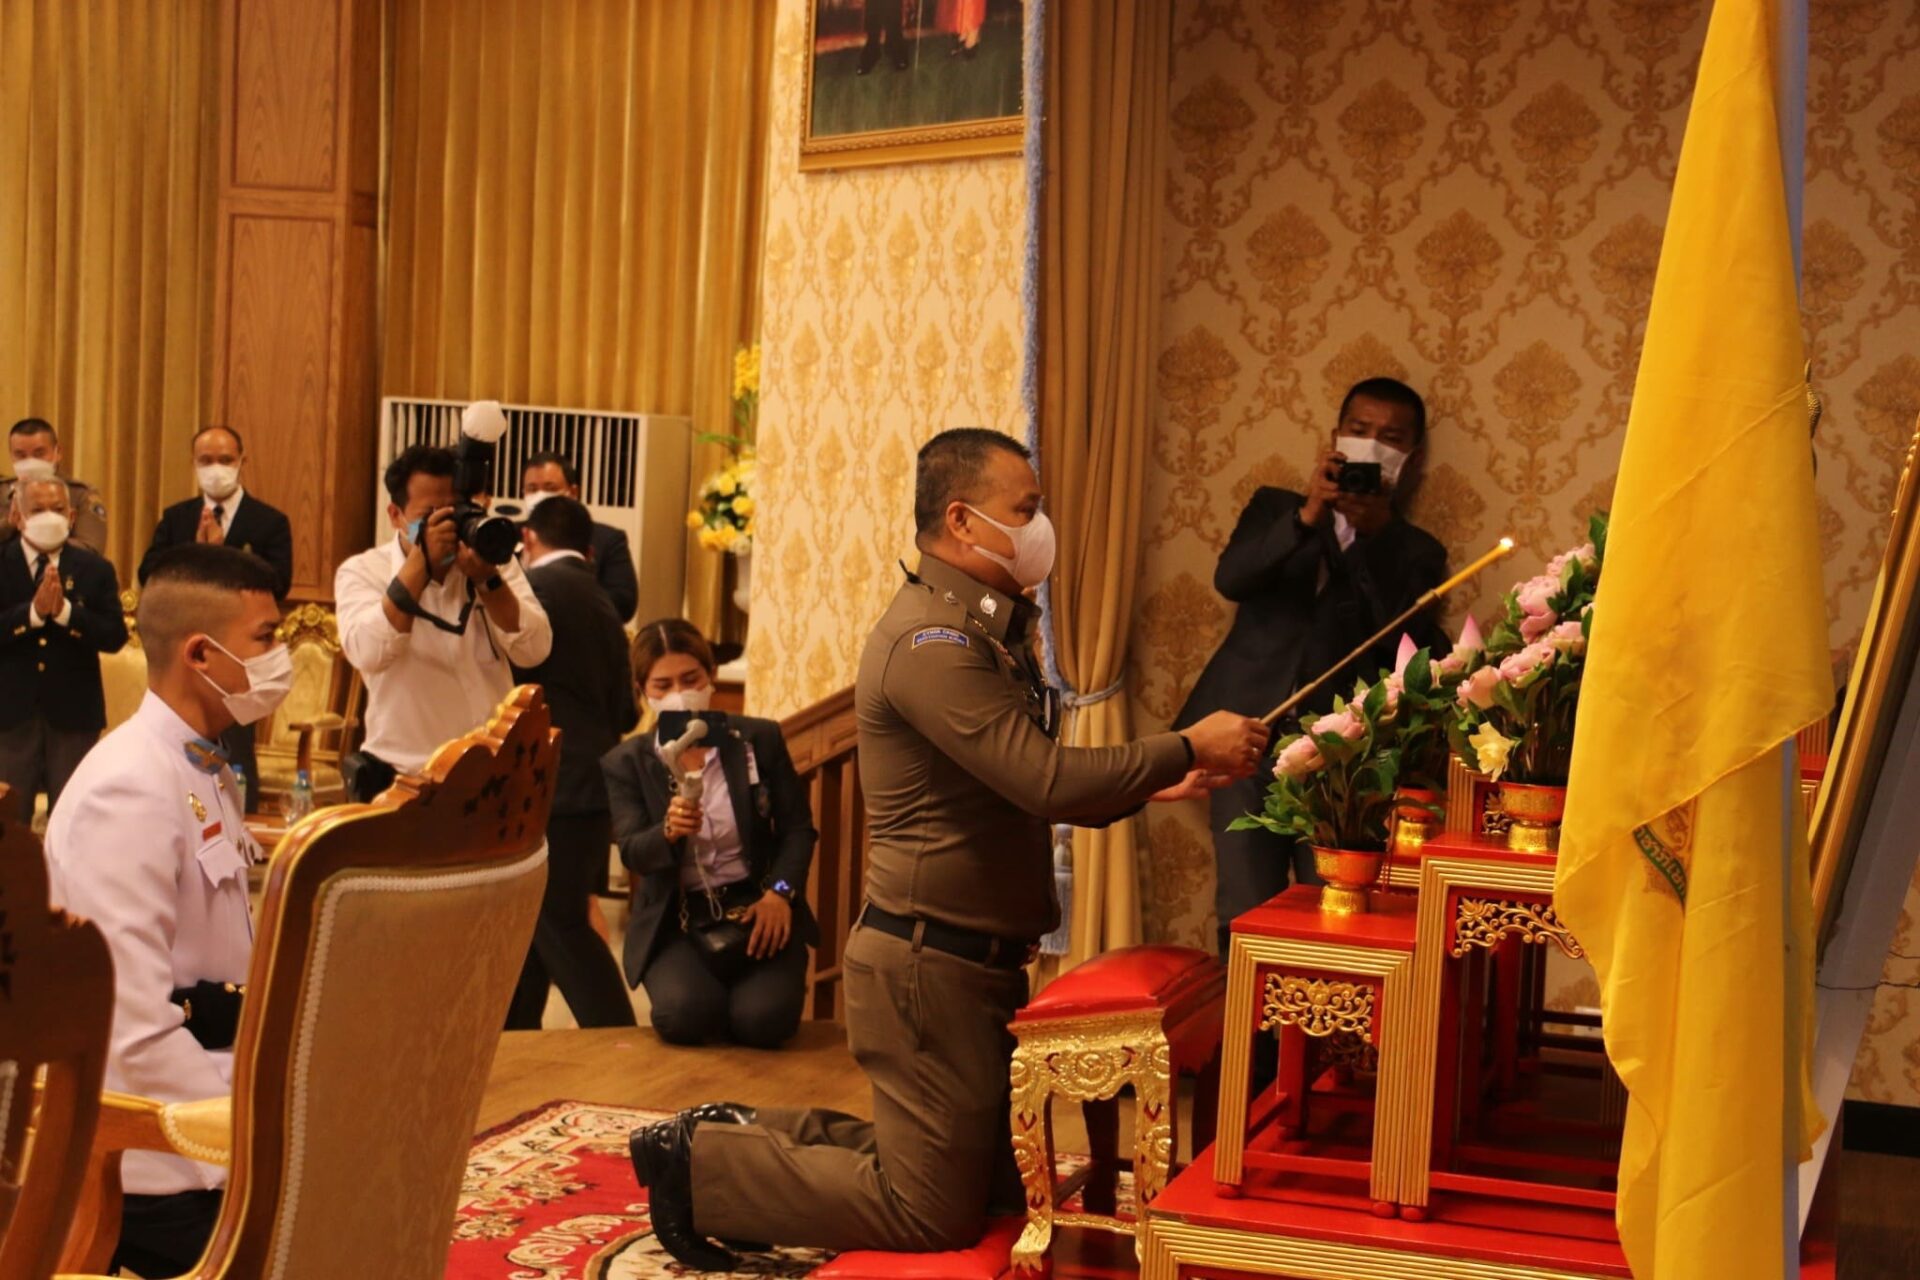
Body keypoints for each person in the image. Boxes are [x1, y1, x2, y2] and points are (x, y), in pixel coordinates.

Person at [627, 427, 1268, 1269]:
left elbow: (1016, 787)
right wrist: (1184, 748)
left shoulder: (979, 629)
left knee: (980, 1189)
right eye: (1025, 511)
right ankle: (700, 1167)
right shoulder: (933, 644)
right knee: (932, 1212)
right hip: (928, 963)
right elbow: (1043, 779)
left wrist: (1155, 781)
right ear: (963, 521)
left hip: (966, 960)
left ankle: (732, 1132)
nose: (1040, 529)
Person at [45, 544, 289, 1276]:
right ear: (200, 654)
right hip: (159, 1161)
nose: (279, 661)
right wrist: (253, 1135)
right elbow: (131, 1025)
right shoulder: (128, 788)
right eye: (266, 639)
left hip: (209, 1085)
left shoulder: (199, 760)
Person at [1177, 376, 1449, 952]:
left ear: (1412, 457)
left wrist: (1374, 537)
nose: (1371, 445)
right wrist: (1308, 516)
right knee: (1244, 909)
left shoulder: (1417, 551)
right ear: (1335, 436)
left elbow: (1400, 641)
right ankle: (1242, 1014)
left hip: (1340, 760)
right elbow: (1232, 579)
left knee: (1333, 911)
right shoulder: (1275, 507)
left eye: (1390, 438)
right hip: (1244, 737)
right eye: (1359, 430)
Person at [602, 618, 818, 1050]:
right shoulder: (627, 762)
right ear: (643, 691)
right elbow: (632, 851)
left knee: (764, 1022)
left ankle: (750, 996)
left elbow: (798, 829)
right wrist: (667, 832)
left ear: (711, 675)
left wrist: (779, 893)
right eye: (662, 685)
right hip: (676, 919)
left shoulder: (757, 739)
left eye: (690, 679)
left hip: (756, 907)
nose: (679, 693)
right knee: (686, 1016)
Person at [335, 445, 551, 799]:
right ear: (395, 515)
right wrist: (420, 566)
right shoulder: (363, 572)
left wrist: (488, 581)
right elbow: (368, 652)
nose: (447, 527)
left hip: (494, 776)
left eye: (454, 512)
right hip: (408, 780)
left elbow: (535, 650)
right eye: (430, 516)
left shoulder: (490, 562)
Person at [503, 495, 638, 1030]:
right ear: (590, 549)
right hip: (592, 780)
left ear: (529, 538)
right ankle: (514, 1036)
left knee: (558, 920)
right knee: (535, 921)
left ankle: (615, 1035)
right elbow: (626, 710)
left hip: (551, 778)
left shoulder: (533, 591)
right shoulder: (603, 600)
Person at [138, 425, 296, 789]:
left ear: (241, 461)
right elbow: (149, 573)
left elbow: (279, 582)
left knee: (235, 753)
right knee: (180, 757)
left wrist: (223, 555)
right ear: (194, 463)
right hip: (184, 655)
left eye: (225, 460)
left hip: (235, 654)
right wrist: (197, 555)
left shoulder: (268, 521)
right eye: (206, 460)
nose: (216, 468)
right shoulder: (177, 517)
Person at [0, 477, 128, 823]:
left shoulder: (95, 569)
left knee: (73, 820)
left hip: (74, 716)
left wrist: (66, 614)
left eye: (57, 509)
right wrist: (32, 614)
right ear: (18, 517)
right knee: (8, 825)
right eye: (37, 510)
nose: (49, 517)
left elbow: (114, 636)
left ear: (72, 518)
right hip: (11, 716)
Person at [521, 452, 639, 621]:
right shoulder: (509, 533)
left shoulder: (607, 539)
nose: (540, 496)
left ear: (573, 492)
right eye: (532, 489)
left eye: (550, 488)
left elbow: (624, 602)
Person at [0, 417, 109, 553]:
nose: (30, 461)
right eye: (20, 455)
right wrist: (9, 524)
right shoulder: (3, 491)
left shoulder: (81, 495)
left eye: (39, 454)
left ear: (58, 453)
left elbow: (91, 548)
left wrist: (44, 539)